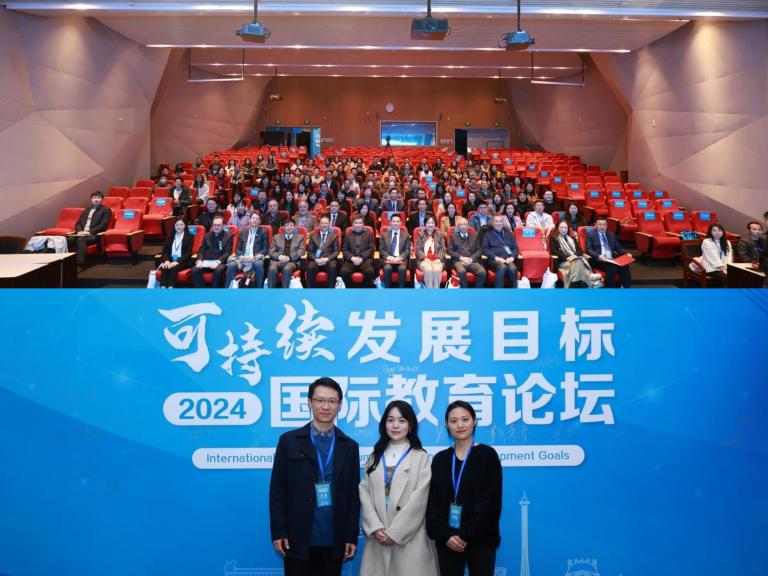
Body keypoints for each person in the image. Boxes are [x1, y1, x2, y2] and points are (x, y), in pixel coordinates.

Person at [270, 378, 361, 576]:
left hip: (334, 538)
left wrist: (350, 536)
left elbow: (354, 497)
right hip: (296, 538)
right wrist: (279, 531)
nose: (325, 406)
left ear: (339, 405)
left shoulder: (349, 446)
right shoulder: (289, 441)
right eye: (320, 400)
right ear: (309, 402)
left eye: (332, 401)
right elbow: (278, 490)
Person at [359, 401, 438, 576]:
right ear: (384, 424)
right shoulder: (374, 456)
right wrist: (375, 527)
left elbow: (419, 500)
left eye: (402, 421)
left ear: (411, 426)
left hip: (410, 539)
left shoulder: (420, 457)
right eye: (390, 420)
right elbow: (364, 493)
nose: (395, 425)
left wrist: (395, 533)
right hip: (378, 537)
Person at [426, 401, 502, 576]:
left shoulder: (487, 455)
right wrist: (447, 535)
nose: (460, 425)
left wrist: (465, 535)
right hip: (447, 541)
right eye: (453, 421)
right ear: (447, 425)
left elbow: (490, 502)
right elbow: (433, 503)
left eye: (465, 419)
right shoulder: (440, 459)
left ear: (474, 421)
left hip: (480, 540)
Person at [67, 191, 112, 267]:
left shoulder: (106, 210)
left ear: (102, 199)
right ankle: (64, 261)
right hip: (81, 234)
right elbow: (78, 223)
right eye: (94, 198)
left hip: (94, 235)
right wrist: (79, 231)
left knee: (81, 240)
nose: (96, 200)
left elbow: (103, 225)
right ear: (91, 199)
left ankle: (79, 263)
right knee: (68, 239)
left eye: (98, 198)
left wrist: (89, 232)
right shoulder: (86, 210)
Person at [585, 217, 632, 288]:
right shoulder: (590, 234)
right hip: (598, 260)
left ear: (607, 226)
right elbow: (588, 249)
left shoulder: (611, 235)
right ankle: (610, 289)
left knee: (624, 266)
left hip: (611, 259)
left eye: (604, 224)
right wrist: (598, 256)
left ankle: (626, 288)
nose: (602, 227)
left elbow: (618, 248)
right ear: (595, 225)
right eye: (600, 224)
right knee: (611, 267)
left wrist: (626, 253)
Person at [225, 212, 268, 288]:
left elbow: (265, 249)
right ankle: (229, 290)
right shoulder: (243, 232)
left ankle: (259, 290)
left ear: (260, 221)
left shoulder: (263, 232)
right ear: (249, 220)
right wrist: (241, 256)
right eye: (253, 218)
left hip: (255, 259)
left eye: (257, 219)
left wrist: (254, 257)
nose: (255, 220)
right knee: (231, 265)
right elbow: (238, 249)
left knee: (259, 264)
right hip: (242, 258)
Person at [549, 221, 596, 288]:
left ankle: (574, 284)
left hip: (575, 260)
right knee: (579, 262)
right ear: (557, 228)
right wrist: (568, 257)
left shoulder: (572, 238)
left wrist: (574, 256)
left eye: (565, 228)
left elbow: (579, 250)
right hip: (563, 261)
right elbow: (554, 251)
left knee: (577, 262)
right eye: (561, 227)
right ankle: (588, 282)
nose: (564, 229)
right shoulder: (554, 238)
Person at [191, 215, 232, 288]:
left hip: (220, 262)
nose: (216, 227)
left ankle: (214, 292)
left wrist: (217, 262)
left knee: (218, 271)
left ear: (223, 225)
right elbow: (201, 250)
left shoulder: (228, 236)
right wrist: (199, 260)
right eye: (214, 225)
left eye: (218, 225)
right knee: (194, 270)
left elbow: (227, 253)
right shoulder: (207, 236)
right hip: (207, 261)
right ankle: (203, 291)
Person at [448, 217, 487, 288]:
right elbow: (450, 251)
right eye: (461, 225)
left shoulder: (474, 235)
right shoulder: (453, 236)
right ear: (458, 226)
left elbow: (479, 250)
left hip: (472, 261)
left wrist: (471, 259)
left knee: (482, 272)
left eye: (465, 224)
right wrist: (461, 258)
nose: (463, 226)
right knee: (461, 271)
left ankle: (476, 292)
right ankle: (465, 292)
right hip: (459, 261)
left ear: (468, 225)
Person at [481, 215, 518, 288]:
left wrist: (512, 257)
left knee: (513, 268)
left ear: (503, 223)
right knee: (502, 266)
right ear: (492, 223)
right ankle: (498, 292)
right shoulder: (487, 234)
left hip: (508, 259)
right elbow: (485, 249)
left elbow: (515, 249)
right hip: (494, 260)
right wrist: (496, 258)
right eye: (496, 221)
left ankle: (513, 292)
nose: (499, 223)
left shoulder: (509, 234)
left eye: (500, 221)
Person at [157, 218, 194, 288]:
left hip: (182, 261)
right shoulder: (170, 236)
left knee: (173, 268)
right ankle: (162, 288)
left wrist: (177, 261)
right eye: (177, 225)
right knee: (165, 267)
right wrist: (166, 261)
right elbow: (165, 251)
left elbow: (188, 253)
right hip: (170, 260)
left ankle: (171, 288)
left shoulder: (190, 237)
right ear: (174, 226)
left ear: (185, 226)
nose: (179, 226)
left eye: (181, 225)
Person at [268, 220, 306, 288]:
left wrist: (289, 258)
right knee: (272, 269)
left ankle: (285, 291)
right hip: (278, 261)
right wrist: (279, 257)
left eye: (291, 225)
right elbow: (271, 251)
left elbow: (301, 251)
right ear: (283, 227)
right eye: (287, 225)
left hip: (292, 262)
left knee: (287, 269)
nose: (289, 227)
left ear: (294, 227)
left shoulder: (300, 237)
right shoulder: (276, 237)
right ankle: (270, 292)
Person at [341, 215, 375, 288]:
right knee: (343, 272)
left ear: (363, 224)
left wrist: (361, 258)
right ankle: (352, 289)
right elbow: (344, 249)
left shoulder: (369, 234)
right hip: (351, 260)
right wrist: (352, 258)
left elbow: (371, 248)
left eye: (360, 223)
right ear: (352, 224)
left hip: (364, 260)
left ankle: (363, 289)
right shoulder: (348, 235)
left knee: (370, 272)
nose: (358, 225)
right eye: (356, 223)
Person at [307, 216, 340, 288]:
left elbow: (336, 251)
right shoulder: (313, 236)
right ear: (319, 224)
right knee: (310, 267)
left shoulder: (334, 236)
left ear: (329, 224)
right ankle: (310, 291)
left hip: (328, 260)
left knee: (332, 267)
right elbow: (309, 252)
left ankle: (330, 291)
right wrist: (316, 259)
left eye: (326, 223)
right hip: (316, 260)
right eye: (322, 223)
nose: (324, 225)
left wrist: (327, 259)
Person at [379, 214, 411, 288]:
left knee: (402, 269)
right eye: (394, 221)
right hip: (388, 260)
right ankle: (387, 291)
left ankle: (401, 291)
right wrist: (389, 257)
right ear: (390, 223)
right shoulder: (384, 235)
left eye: (397, 221)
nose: (396, 223)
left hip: (401, 260)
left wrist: (399, 257)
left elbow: (407, 250)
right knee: (387, 268)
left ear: (400, 223)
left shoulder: (406, 235)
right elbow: (381, 249)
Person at [415, 216, 446, 288]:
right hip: (424, 260)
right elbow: (418, 249)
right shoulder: (421, 234)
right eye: (428, 223)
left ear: (435, 224)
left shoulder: (439, 234)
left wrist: (439, 259)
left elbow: (443, 248)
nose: (430, 225)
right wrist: (424, 258)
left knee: (437, 270)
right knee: (428, 270)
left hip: (437, 260)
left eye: (432, 223)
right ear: (425, 224)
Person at [700, 223, 732, 287]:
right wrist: (722, 268)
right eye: (714, 231)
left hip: (724, 267)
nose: (717, 233)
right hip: (711, 268)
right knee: (727, 278)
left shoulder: (727, 242)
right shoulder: (707, 242)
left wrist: (727, 266)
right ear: (710, 232)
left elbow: (729, 256)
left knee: (739, 276)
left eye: (720, 230)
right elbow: (712, 257)